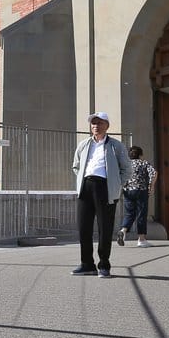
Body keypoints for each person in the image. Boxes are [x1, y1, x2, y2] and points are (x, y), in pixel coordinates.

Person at [71, 111, 132, 277]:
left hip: (104, 188)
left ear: (107, 126)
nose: (96, 126)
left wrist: (116, 183)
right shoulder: (84, 145)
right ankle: (87, 264)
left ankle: (104, 265)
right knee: (83, 227)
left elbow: (127, 169)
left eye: (100, 123)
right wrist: (81, 180)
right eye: (93, 123)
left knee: (104, 228)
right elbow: (76, 166)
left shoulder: (115, 146)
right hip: (86, 187)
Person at [117, 146, 158, 248]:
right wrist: (151, 186)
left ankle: (123, 231)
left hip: (128, 191)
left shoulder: (126, 164)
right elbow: (154, 173)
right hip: (141, 190)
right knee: (141, 214)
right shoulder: (143, 163)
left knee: (129, 213)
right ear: (140, 155)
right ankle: (141, 239)